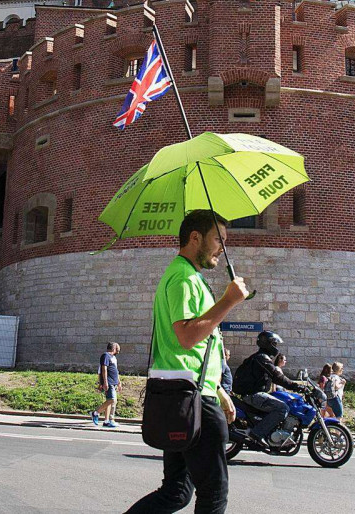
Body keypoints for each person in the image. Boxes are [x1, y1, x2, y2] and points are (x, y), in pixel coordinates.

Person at [123, 210, 247, 514]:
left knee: (176, 492)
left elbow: (192, 351)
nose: (222, 248)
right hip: (194, 402)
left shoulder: (189, 276)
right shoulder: (183, 277)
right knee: (213, 494)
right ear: (195, 238)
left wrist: (218, 389)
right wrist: (228, 301)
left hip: (187, 394)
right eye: (218, 239)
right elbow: (187, 337)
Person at [232, 331, 311, 443]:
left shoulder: (260, 357)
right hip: (254, 395)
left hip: (255, 394)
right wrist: (295, 386)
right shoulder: (262, 359)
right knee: (282, 408)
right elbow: (276, 376)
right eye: (274, 343)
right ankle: (257, 433)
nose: (276, 347)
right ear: (268, 344)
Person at [92, 341, 121, 428]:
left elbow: (116, 370)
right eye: (118, 348)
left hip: (114, 382)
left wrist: (119, 382)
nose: (119, 350)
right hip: (109, 382)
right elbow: (103, 369)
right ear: (114, 348)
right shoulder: (105, 355)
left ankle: (106, 421)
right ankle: (95, 413)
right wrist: (104, 382)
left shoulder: (113, 358)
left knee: (110, 401)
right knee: (112, 399)